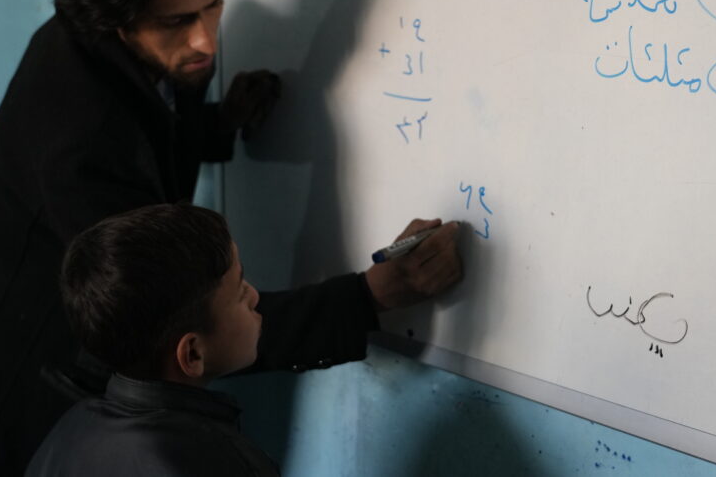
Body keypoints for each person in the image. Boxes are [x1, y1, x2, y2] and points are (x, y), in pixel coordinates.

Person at [0, 0, 462, 476]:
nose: (205, 39)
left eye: (216, 1)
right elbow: (188, 316)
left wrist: (221, 123)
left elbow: (149, 128)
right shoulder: (78, 133)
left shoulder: (114, 51)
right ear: (116, 19)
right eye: (177, 20)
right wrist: (370, 297)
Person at [25, 204, 458, 476]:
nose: (254, 297)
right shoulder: (210, 461)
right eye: (239, 290)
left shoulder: (73, 426)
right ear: (192, 353)